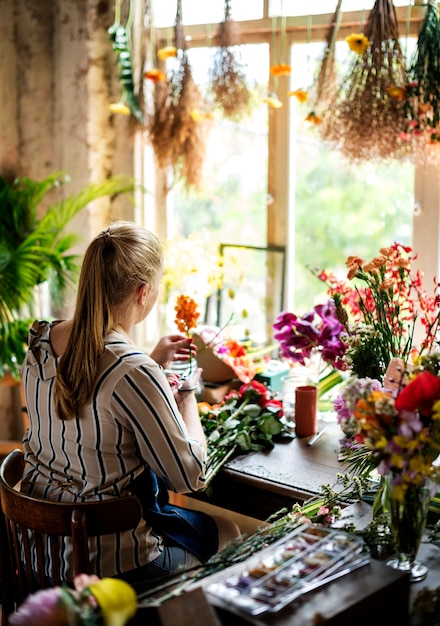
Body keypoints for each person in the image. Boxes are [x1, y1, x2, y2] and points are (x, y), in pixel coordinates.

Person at [20, 220, 240, 593]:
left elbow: (85, 404)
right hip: (105, 565)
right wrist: (186, 398)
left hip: (37, 553)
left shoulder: (40, 342)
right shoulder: (133, 369)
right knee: (229, 532)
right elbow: (190, 477)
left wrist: (151, 365)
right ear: (143, 292)